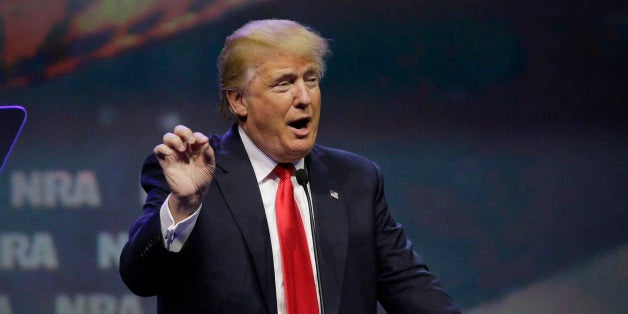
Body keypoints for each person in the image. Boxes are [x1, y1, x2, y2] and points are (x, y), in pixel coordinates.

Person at [119, 19, 460, 314]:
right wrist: (183, 206)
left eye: (310, 79)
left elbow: (411, 287)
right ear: (239, 100)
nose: (304, 97)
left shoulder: (356, 179)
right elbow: (141, 277)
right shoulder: (196, 175)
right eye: (284, 83)